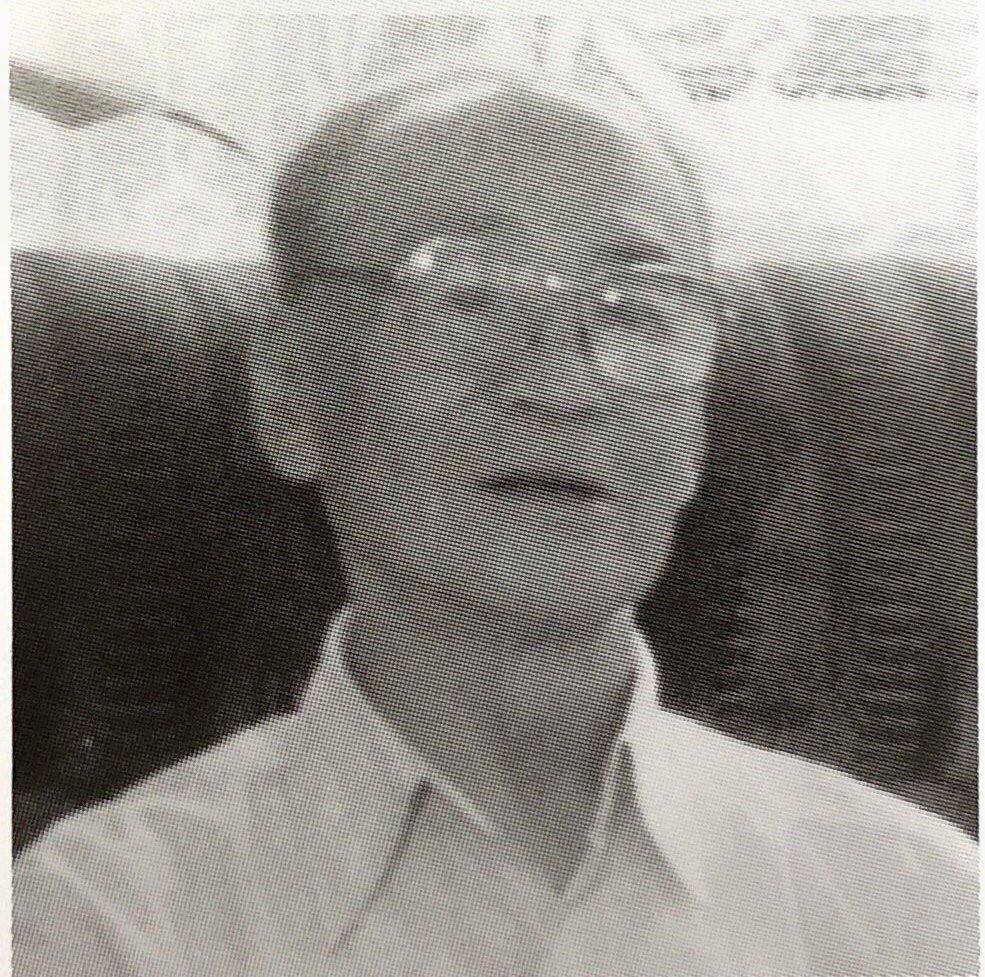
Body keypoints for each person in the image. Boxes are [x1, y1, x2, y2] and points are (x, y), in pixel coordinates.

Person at [14, 37, 978, 977]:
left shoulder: (913, 903)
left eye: (636, 309)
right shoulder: (102, 924)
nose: (563, 385)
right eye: (468, 295)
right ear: (290, 392)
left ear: (692, 431)